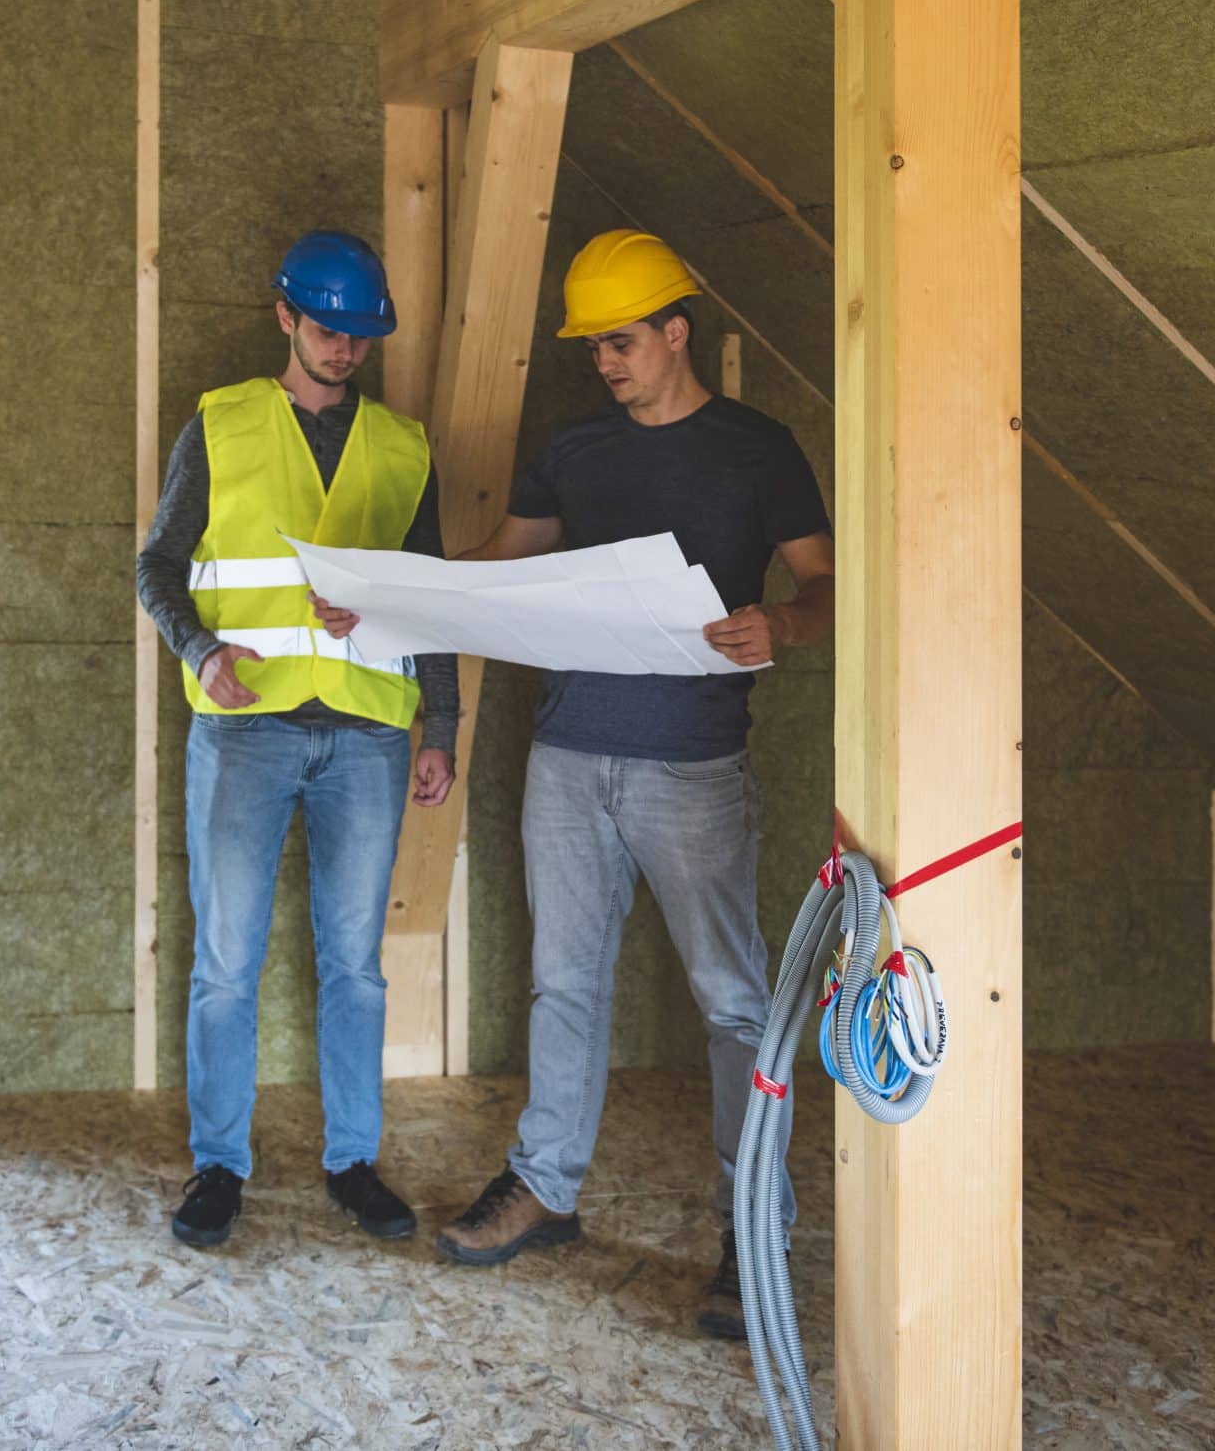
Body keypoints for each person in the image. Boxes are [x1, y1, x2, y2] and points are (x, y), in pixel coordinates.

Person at [324, 229, 833, 1339]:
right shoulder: (576, 445)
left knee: (734, 1002)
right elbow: (498, 566)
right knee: (564, 986)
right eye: (594, 346)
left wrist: (781, 625)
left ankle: (752, 1236)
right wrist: (395, 603)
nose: (603, 362)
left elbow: (827, 584)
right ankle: (546, 1190)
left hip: (693, 770)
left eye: (619, 342)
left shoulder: (757, 450)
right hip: (566, 758)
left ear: (674, 334)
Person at [135, 230, 457, 1250]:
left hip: (366, 739)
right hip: (246, 733)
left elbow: (432, 599)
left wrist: (439, 723)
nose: (344, 350)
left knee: (354, 966)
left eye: (360, 336)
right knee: (227, 962)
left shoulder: (404, 448)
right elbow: (158, 564)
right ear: (285, 318)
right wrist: (198, 651)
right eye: (327, 330)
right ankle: (218, 1166)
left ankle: (353, 1160)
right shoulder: (222, 424)